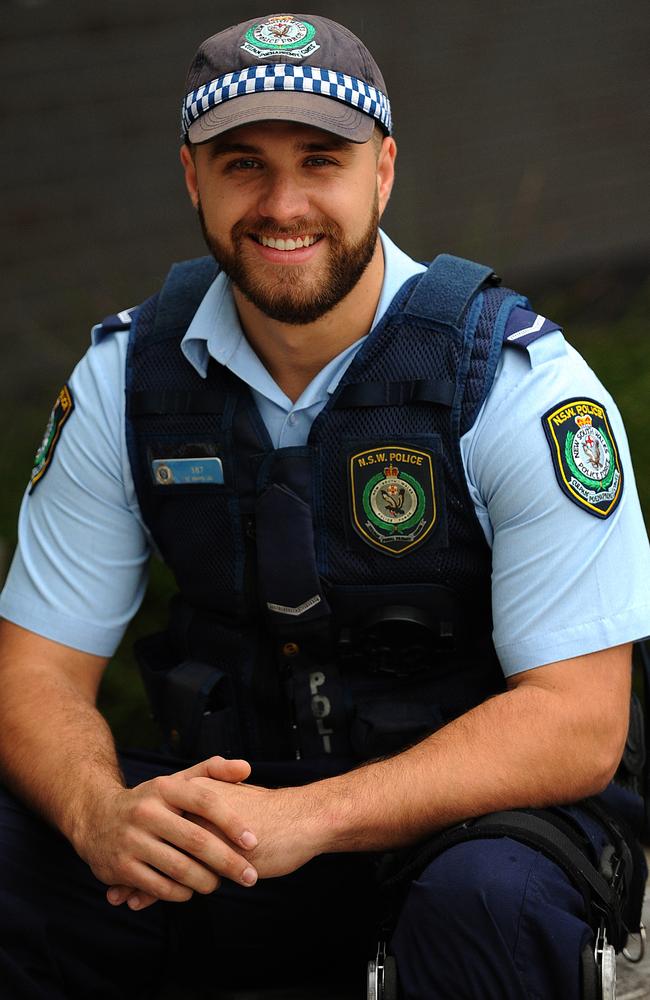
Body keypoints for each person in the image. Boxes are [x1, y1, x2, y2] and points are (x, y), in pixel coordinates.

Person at [0, 12, 649, 999]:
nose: (283, 201)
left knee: (485, 903)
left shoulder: (515, 384)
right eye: (242, 165)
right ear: (193, 179)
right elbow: (35, 670)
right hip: (240, 826)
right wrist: (100, 811)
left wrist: (313, 817)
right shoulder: (123, 379)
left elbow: (577, 724)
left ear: (381, 171)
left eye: (320, 158)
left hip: (468, 833)